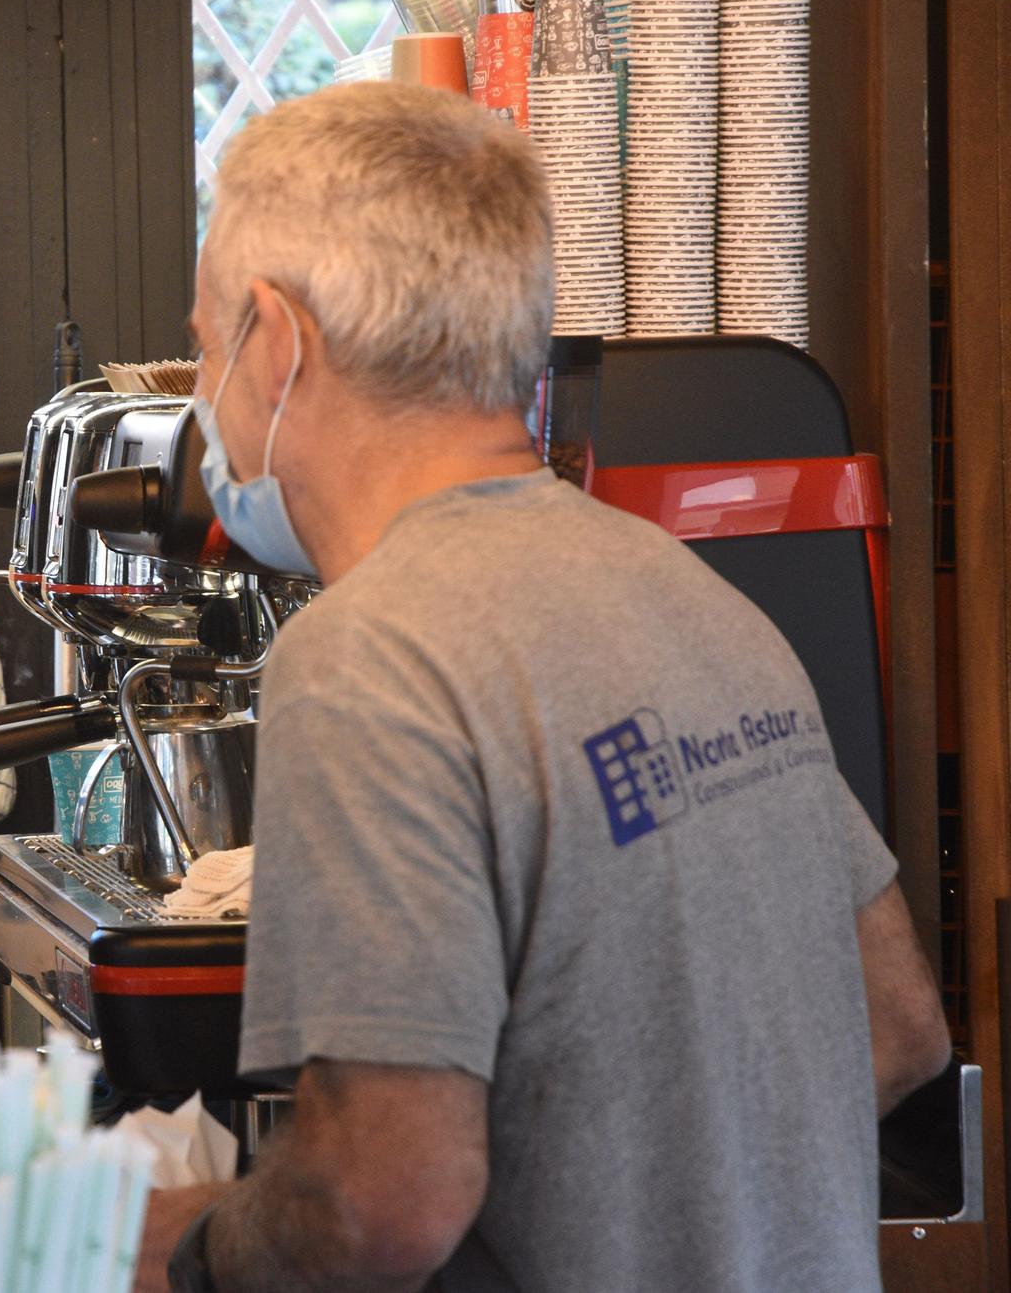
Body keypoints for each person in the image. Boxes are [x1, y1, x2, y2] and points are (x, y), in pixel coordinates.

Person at [134, 83, 952, 1291]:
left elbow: (381, 1200)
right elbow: (896, 1026)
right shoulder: (697, 601)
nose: (205, 394)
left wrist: (171, 1248)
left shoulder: (367, 657)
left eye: (205, 344)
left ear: (279, 339)